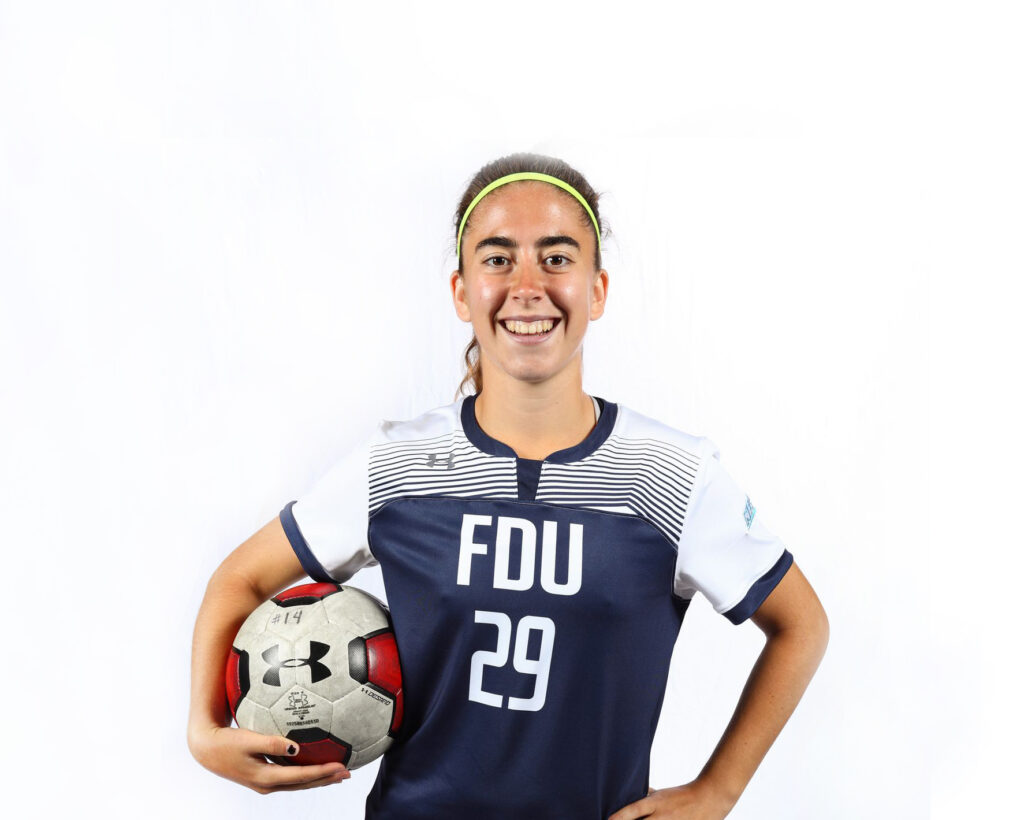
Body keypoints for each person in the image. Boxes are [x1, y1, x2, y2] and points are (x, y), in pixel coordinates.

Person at [187, 153, 830, 819]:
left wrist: (718, 791)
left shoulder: (670, 474)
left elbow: (801, 624)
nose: (527, 286)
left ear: (597, 290)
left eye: (556, 258)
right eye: (498, 259)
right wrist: (205, 731)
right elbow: (240, 578)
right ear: (462, 291)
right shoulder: (397, 466)